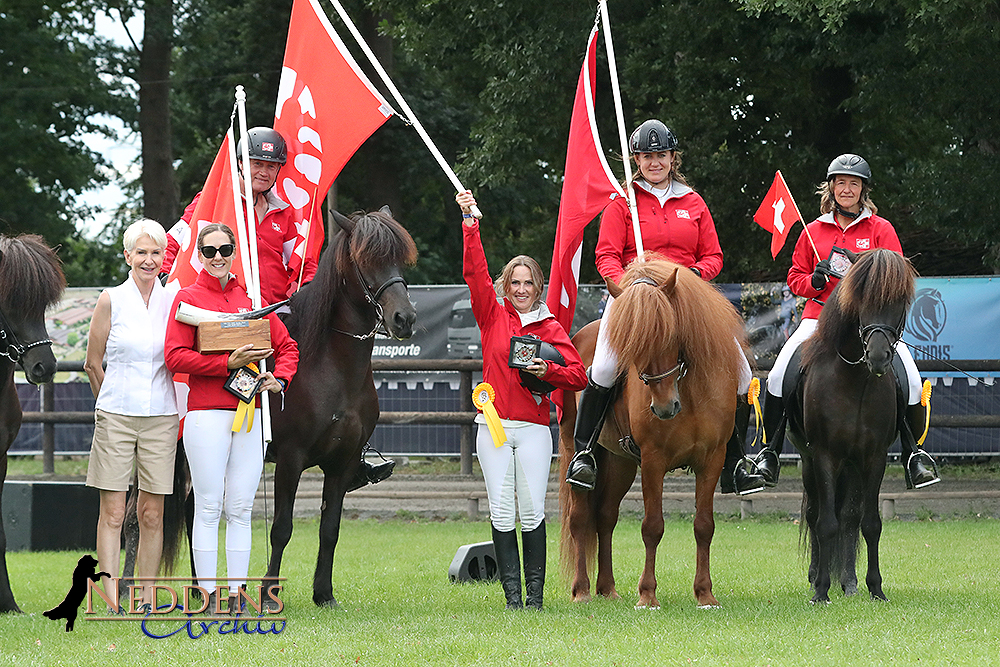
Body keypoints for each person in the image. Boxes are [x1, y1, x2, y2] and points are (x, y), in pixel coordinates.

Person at [162, 127, 390, 491]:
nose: (264, 171)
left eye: (272, 165)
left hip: (274, 315)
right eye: (257, 163)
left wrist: (302, 289)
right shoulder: (213, 201)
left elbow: (302, 262)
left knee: (333, 354)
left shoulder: (285, 214)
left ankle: (350, 445)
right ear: (239, 163)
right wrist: (163, 273)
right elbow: (176, 240)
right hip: (225, 315)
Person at [564, 119, 763, 495]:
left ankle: (736, 461)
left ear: (674, 157)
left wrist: (690, 278)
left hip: (687, 304)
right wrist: (627, 284)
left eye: (661, 155)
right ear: (636, 160)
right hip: (635, 301)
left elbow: (713, 256)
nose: (654, 162)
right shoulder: (621, 203)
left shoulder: (694, 202)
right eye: (646, 156)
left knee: (738, 370)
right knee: (604, 365)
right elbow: (606, 254)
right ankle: (585, 452)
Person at [752, 154, 940, 489]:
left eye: (854, 183)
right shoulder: (813, 230)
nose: (847, 189)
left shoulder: (880, 229)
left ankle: (916, 454)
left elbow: (897, 277)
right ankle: (769, 451)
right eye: (841, 183)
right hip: (820, 318)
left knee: (911, 378)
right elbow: (795, 278)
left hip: (870, 323)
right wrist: (817, 281)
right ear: (832, 187)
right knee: (779, 375)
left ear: (863, 189)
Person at [457, 191, 587, 610]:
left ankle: (535, 600)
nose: (521, 289)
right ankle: (513, 600)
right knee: (500, 509)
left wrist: (545, 371)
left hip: (534, 429)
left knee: (531, 511)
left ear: (538, 285)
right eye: (514, 282)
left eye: (528, 282)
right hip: (492, 427)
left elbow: (579, 375)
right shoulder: (492, 315)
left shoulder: (549, 326)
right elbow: (474, 272)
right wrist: (470, 224)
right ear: (505, 286)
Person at [164, 223, 299, 613]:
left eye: (225, 249)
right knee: (208, 506)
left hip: (251, 415)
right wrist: (226, 363)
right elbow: (175, 356)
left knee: (241, 507)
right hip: (206, 415)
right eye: (209, 251)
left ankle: (238, 593)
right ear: (200, 256)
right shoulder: (187, 298)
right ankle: (206, 595)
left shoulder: (252, 299)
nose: (218, 257)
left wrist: (281, 377)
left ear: (235, 251)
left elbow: (287, 346)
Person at [84, 219, 179, 612]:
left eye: (156, 252)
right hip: (116, 417)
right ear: (127, 255)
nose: (149, 259)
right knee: (114, 511)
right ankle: (108, 598)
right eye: (141, 252)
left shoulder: (174, 298)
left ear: (163, 257)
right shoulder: (111, 298)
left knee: (152, 513)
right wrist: (110, 407)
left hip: (162, 416)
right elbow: (92, 364)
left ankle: (146, 596)